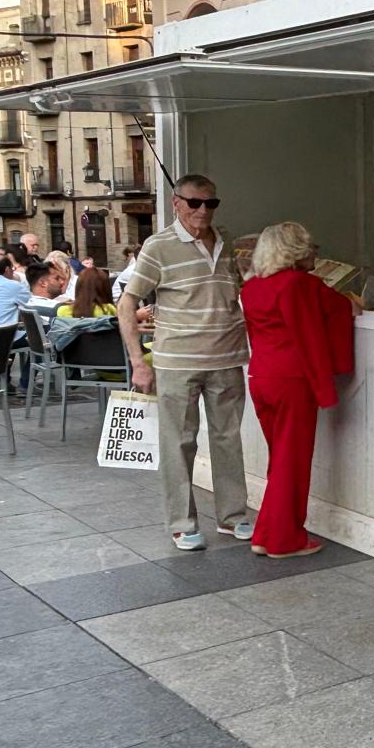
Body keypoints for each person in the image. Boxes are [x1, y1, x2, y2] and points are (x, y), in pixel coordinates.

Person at [117, 174, 254, 552]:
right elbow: (127, 303)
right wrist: (138, 362)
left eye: (210, 203)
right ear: (177, 203)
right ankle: (182, 522)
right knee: (179, 442)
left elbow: (242, 293)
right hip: (177, 361)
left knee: (229, 439)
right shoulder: (158, 246)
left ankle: (233, 516)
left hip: (227, 358)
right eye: (194, 203)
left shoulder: (227, 243)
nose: (202, 211)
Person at [240, 222, 356, 558]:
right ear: (297, 250)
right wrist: (326, 388)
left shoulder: (252, 287)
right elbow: (318, 330)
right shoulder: (300, 285)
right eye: (309, 247)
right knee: (292, 463)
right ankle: (283, 539)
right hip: (293, 381)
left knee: (280, 461)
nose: (314, 252)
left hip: (261, 377)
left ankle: (266, 533)